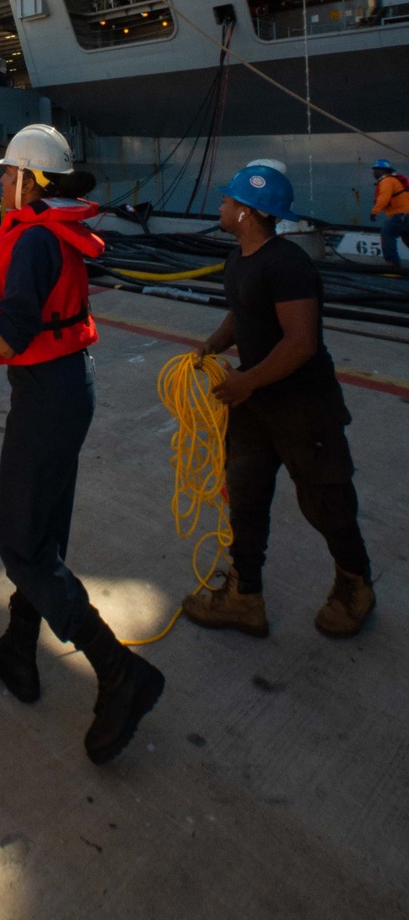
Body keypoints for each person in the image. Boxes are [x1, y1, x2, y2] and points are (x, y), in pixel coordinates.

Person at [0, 125, 165, 766]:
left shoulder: (31, 241)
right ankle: (19, 654)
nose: (0, 182)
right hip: (66, 388)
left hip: (46, 397)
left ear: (31, 182)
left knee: (21, 548)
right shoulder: (46, 232)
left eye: (7, 174)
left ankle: (118, 673)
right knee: (42, 536)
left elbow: (6, 339)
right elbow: (13, 296)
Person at [182, 164, 374, 640]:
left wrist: (245, 381)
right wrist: (210, 347)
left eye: (228, 201)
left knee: (325, 499)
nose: (221, 206)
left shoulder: (287, 263)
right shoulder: (241, 260)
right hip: (255, 410)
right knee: (245, 498)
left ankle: (355, 585)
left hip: (303, 407)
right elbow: (240, 314)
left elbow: (301, 342)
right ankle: (245, 597)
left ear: (247, 213)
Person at [370, 158, 409, 272]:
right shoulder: (393, 180)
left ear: (383, 171)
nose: (374, 173)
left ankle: (392, 262)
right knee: (407, 238)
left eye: (376, 170)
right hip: (406, 214)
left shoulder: (386, 181)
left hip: (401, 214)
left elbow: (384, 198)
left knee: (387, 233)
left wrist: (374, 212)